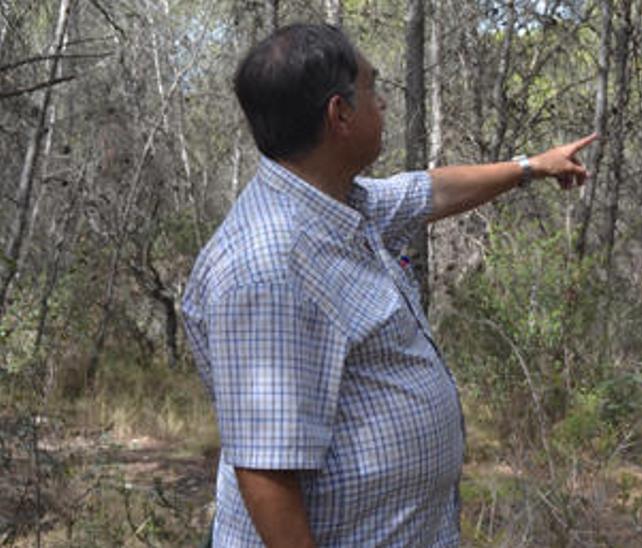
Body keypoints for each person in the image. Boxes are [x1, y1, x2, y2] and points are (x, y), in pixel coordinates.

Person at [180, 23, 595, 547]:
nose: (384, 105)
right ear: (340, 114)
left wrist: (529, 167)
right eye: (373, 90)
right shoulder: (267, 268)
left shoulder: (342, 203)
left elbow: (428, 193)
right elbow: (266, 475)